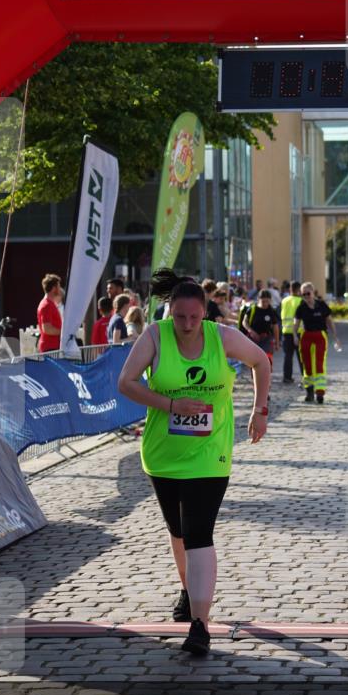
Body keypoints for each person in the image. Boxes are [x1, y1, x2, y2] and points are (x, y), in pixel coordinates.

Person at [117, 268, 270, 656]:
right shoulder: (155, 336)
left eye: (194, 317)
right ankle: (187, 590)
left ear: (205, 313)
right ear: (169, 311)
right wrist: (171, 405)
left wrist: (259, 410)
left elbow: (261, 361)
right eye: (180, 317)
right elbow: (126, 382)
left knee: (200, 532)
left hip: (209, 451)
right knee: (179, 532)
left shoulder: (222, 338)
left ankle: (200, 624)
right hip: (162, 453)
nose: (187, 325)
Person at [293, 282, 340, 404]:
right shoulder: (301, 307)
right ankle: (309, 391)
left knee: (319, 363)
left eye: (308, 293)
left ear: (313, 292)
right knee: (307, 365)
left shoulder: (321, 305)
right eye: (303, 294)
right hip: (306, 337)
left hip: (320, 336)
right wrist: (294, 336)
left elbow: (329, 321)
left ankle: (320, 392)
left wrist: (335, 336)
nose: (306, 296)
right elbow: (296, 323)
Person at [243, 289, 280, 373]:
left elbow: (275, 327)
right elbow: (244, 322)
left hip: (267, 339)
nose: (265, 304)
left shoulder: (271, 311)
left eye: (267, 301)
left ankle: (267, 380)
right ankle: (255, 379)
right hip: (254, 339)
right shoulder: (252, 309)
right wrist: (251, 331)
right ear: (258, 299)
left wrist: (277, 343)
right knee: (254, 361)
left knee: (267, 358)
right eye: (263, 301)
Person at [280, 280, 302, 383]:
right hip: (298, 331)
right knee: (301, 356)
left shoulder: (284, 300)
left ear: (290, 289)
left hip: (286, 331)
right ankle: (304, 376)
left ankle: (287, 377)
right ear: (299, 290)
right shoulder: (300, 301)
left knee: (288, 356)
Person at [36, 274, 63, 353]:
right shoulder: (46, 305)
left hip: (52, 348)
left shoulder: (49, 304)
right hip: (50, 349)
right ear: (54, 288)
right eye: (58, 286)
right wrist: (63, 332)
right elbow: (47, 329)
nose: (60, 289)